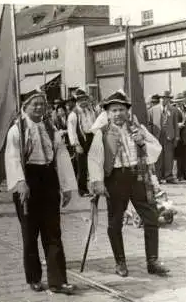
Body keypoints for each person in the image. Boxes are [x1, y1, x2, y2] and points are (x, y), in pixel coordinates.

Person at [88, 90, 169, 277]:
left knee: (150, 218)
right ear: (107, 113)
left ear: (127, 111)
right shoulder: (103, 133)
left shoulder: (137, 128)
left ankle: (153, 261)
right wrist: (97, 181)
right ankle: (120, 262)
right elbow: (94, 159)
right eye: (114, 110)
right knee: (115, 222)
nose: (118, 114)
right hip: (115, 179)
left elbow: (156, 148)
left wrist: (142, 143)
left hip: (138, 176)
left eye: (121, 110)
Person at [5, 91, 77, 295]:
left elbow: (61, 156)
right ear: (25, 107)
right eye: (34, 104)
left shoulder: (50, 128)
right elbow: (12, 157)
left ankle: (58, 281)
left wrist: (66, 186)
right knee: (30, 233)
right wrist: (20, 182)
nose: (39, 108)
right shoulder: (16, 130)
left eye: (42, 104)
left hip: (48, 178)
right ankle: (34, 277)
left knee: (53, 232)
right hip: (28, 180)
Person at [67, 89, 97, 196]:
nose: (84, 101)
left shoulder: (91, 110)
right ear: (77, 101)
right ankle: (82, 190)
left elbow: (94, 124)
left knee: (94, 165)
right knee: (82, 167)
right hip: (81, 140)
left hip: (91, 138)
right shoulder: (73, 114)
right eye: (81, 100)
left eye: (85, 99)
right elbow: (71, 131)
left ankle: (95, 188)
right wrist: (76, 145)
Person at [148, 91, 180, 184]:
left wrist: (177, 137)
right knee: (158, 157)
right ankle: (158, 177)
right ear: (160, 99)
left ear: (169, 99)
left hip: (169, 136)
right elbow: (149, 124)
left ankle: (169, 176)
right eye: (162, 98)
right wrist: (151, 137)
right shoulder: (152, 110)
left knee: (169, 156)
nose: (164, 100)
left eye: (166, 98)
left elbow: (176, 125)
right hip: (157, 137)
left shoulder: (173, 110)